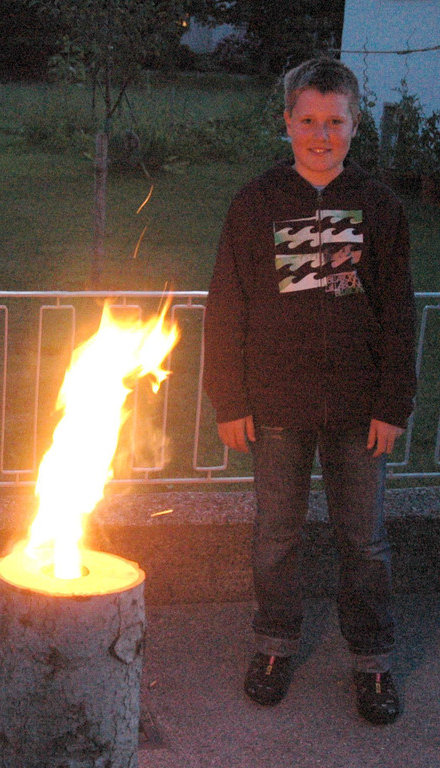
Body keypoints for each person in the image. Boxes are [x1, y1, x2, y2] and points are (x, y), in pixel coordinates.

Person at [202, 57, 416, 725]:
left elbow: (397, 312)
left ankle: (372, 658)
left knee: (364, 542)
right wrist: (230, 400)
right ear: (287, 123)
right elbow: (226, 306)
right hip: (276, 405)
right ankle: (273, 645)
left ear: (355, 125)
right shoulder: (255, 203)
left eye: (335, 122)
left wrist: (393, 404)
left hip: (359, 408)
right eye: (308, 121)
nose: (321, 136)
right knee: (276, 536)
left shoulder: (380, 207)